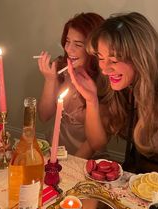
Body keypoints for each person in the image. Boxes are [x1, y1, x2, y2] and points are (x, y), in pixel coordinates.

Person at [68, 12, 158, 186]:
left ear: (141, 57)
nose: (104, 69)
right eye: (101, 58)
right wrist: (91, 101)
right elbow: (97, 143)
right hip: (134, 186)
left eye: (113, 59)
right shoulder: (119, 88)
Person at [37, 12, 107, 159]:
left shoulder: (105, 82)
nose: (69, 49)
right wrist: (50, 80)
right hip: (54, 150)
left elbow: (94, 144)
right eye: (67, 42)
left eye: (78, 44)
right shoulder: (62, 69)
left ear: (94, 49)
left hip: (84, 160)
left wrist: (68, 166)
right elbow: (44, 116)